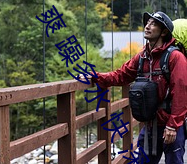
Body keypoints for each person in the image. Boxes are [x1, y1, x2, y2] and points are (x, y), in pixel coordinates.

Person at [79, 11, 187, 164]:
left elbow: (181, 93)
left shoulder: (176, 58)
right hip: (150, 124)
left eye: (153, 24)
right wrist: (96, 77)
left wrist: (173, 126)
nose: (147, 26)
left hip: (170, 126)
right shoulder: (142, 57)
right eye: (147, 23)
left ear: (163, 32)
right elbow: (121, 75)